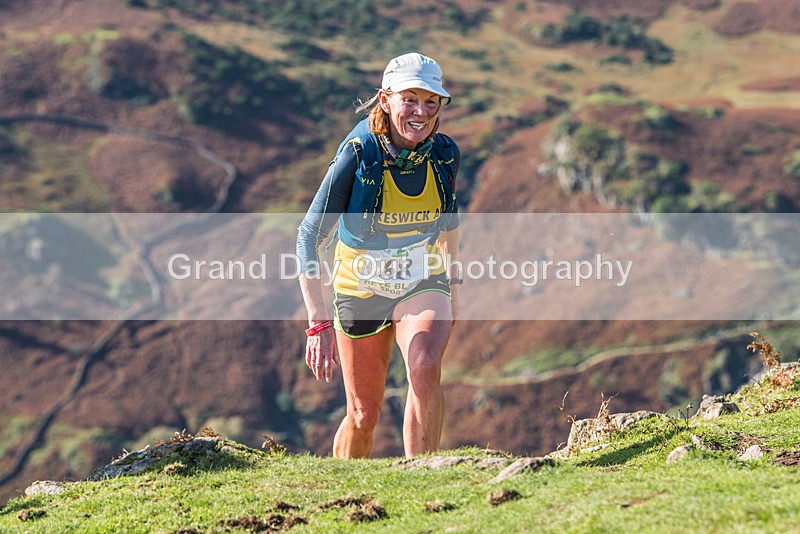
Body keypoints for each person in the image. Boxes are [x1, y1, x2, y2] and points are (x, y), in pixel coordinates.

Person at [296, 52, 461, 459]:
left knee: (424, 367)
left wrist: (454, 287)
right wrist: (319, 324)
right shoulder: (358, 153)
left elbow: (449, 225)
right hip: (360, 289)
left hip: (422, 281)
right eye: (410, 99)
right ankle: (344, 494)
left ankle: (425, 485)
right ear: (385, 99)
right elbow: (308, 236)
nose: (421, 112)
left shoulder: (444, 154)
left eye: (431, 101)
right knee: (363, 414)